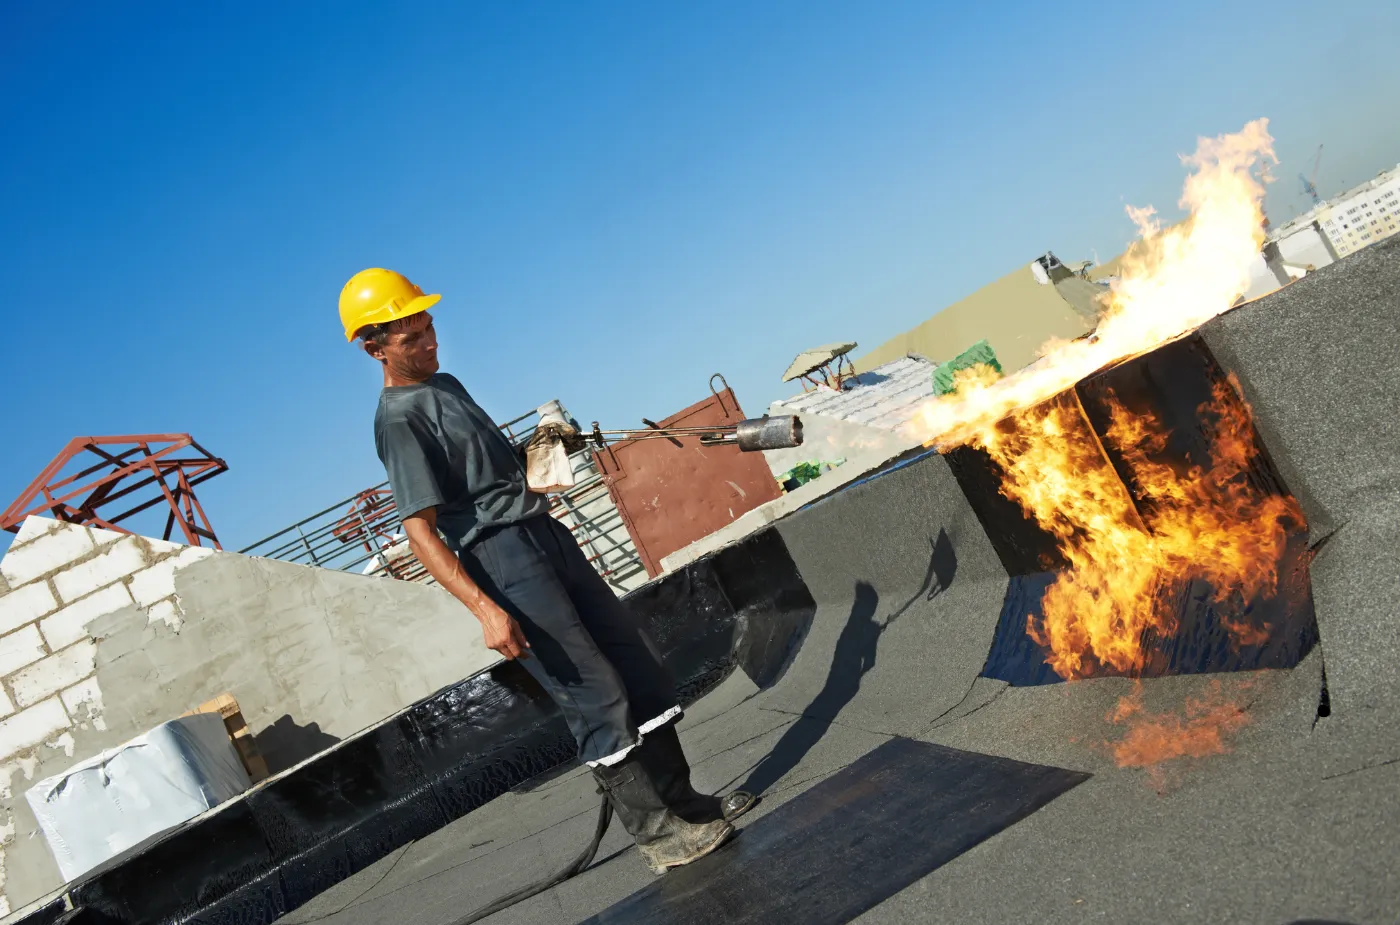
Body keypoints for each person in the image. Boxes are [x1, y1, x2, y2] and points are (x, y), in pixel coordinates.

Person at [338, 267, 754, 874]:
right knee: (591, 691)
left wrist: (547, 447)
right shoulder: (398, 419)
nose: (429, 343)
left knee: (637, 665)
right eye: (411, 338)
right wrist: (485, 609)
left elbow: (502, 473)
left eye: (428, 328)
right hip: (501, 559)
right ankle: (657, 834)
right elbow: (420, 530)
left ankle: (687, 807)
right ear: (374, 347)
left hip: (544, 535)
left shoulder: (446, 385)